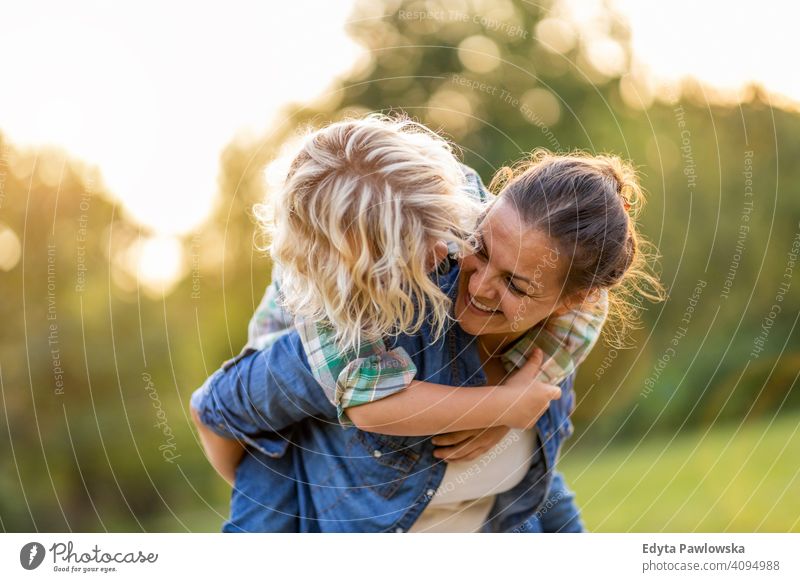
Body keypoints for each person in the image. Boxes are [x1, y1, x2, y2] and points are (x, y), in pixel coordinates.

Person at [191, 146, 663, 532]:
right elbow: (227, 409)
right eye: (477, 250)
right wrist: (502, 407)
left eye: (518, 284)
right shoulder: (355, 311)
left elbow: (539, 487)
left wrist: (525, 397)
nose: (472, 282)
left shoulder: (472, 228)